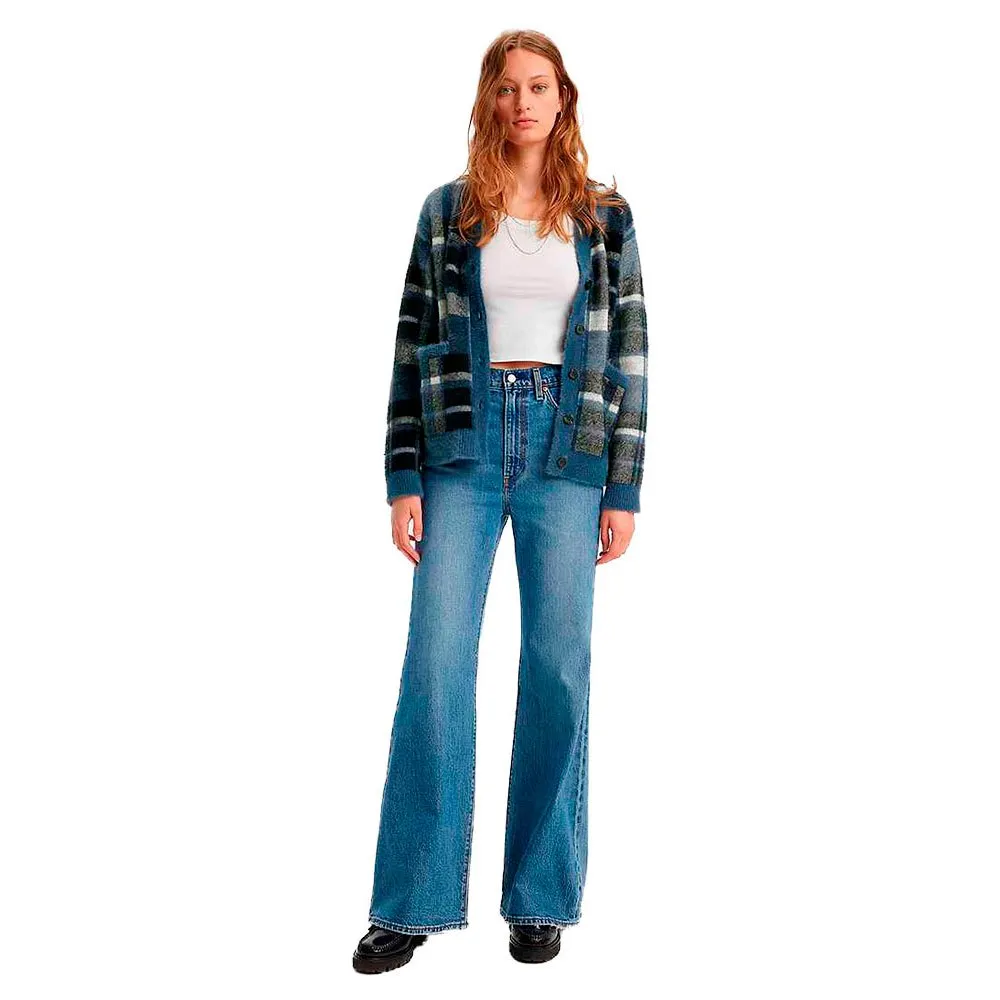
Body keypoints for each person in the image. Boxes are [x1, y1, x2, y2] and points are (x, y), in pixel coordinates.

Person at [353, 29, 648, 974]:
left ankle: (540, 897)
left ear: (563, 100)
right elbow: (411, 346)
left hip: (569, 451)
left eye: (538, 87)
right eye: (508, 88)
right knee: (436, 667)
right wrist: (403, 476)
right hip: (461, 452)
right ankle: (412, 901)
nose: (523, 103)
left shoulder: (604, 218)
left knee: (558, 670)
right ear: (490, 101)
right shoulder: (448, 212)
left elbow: (632, 356)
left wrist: (624, 486)